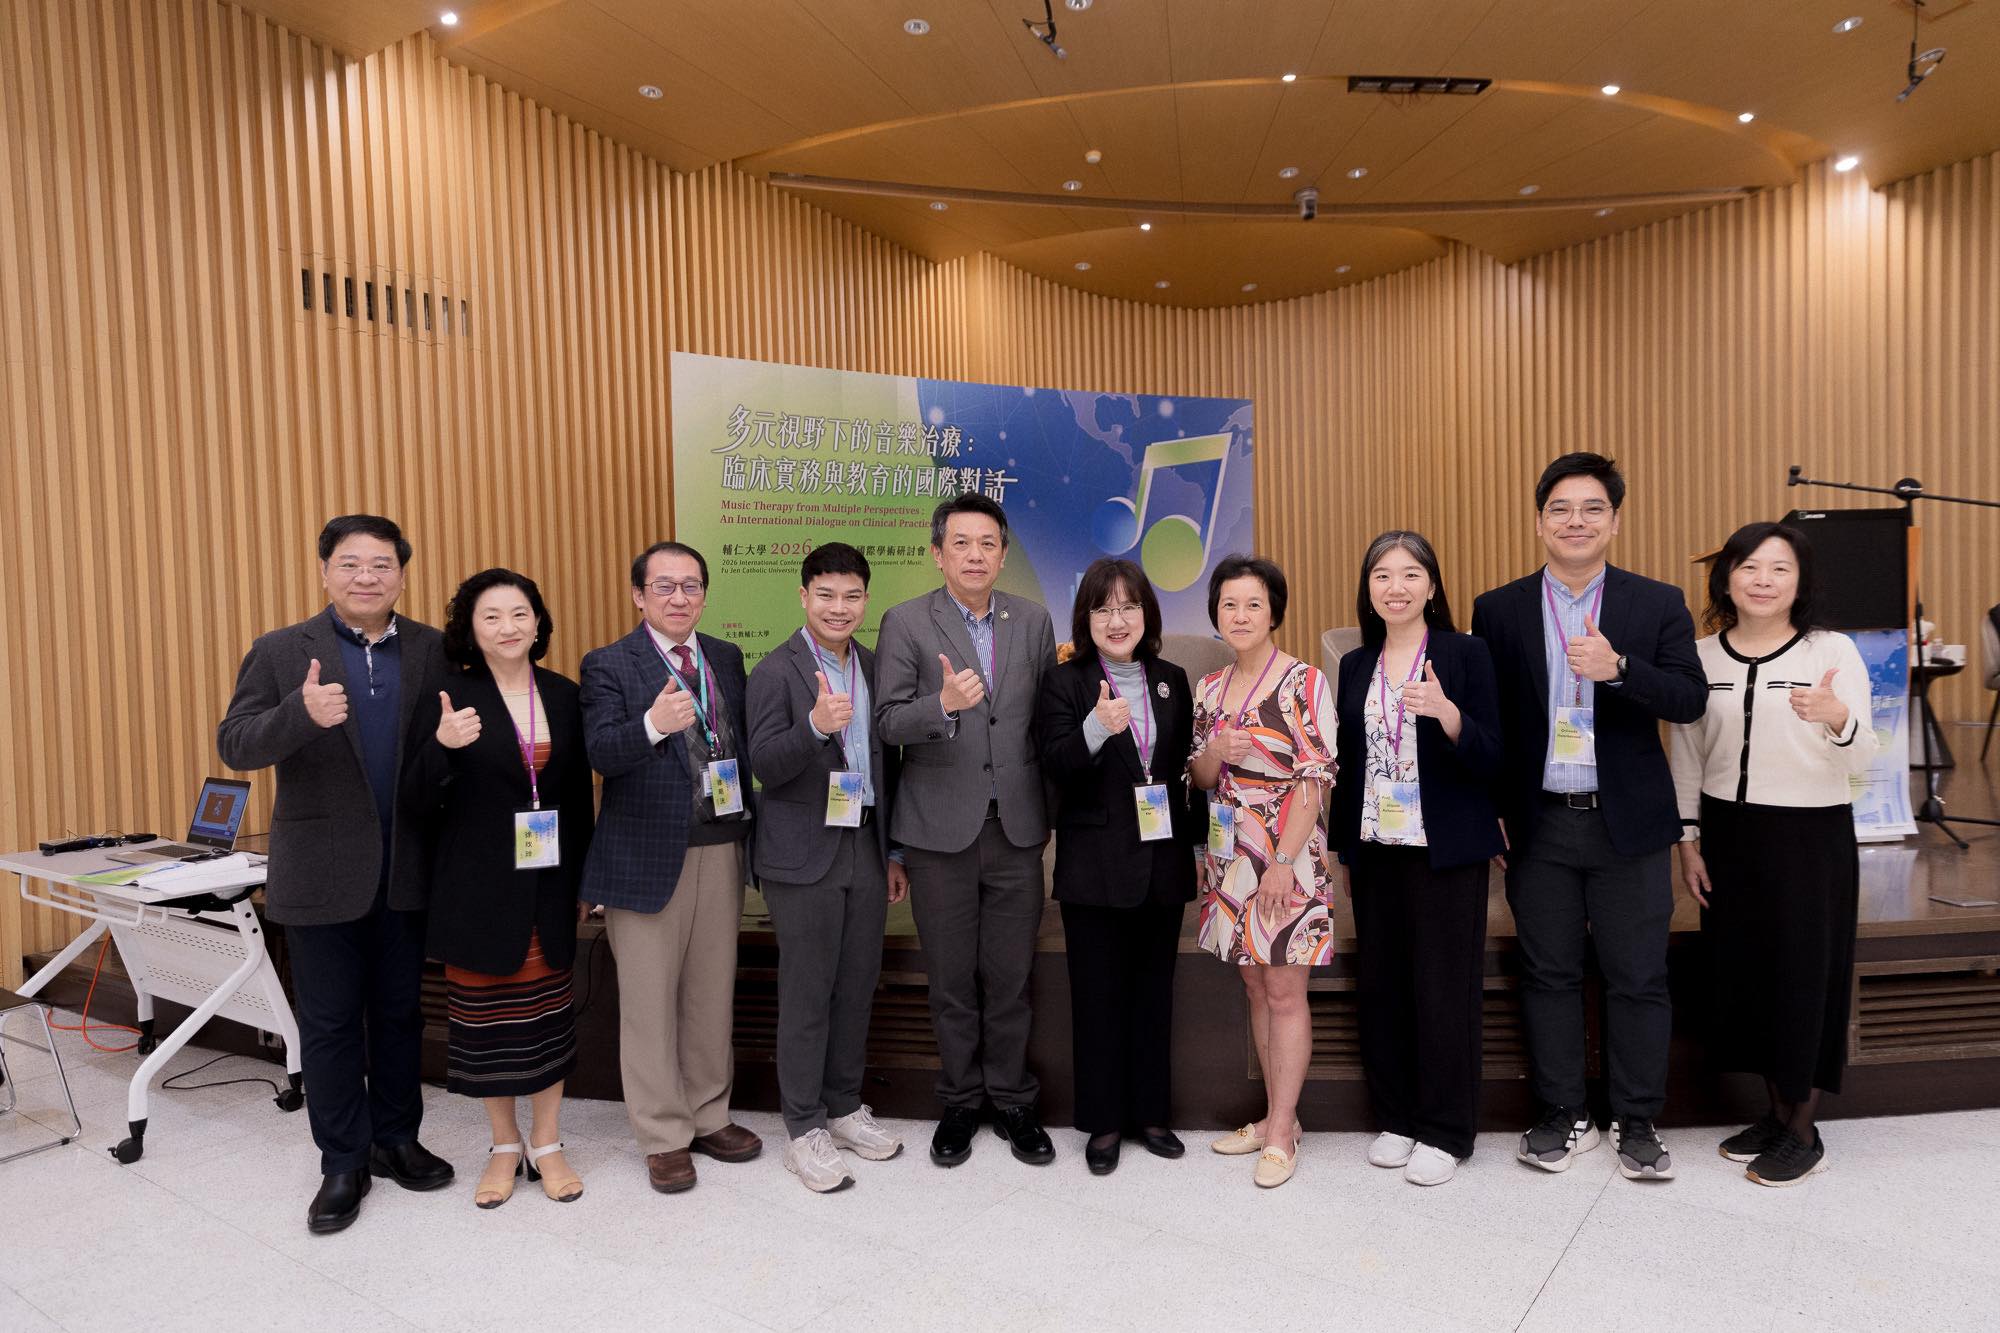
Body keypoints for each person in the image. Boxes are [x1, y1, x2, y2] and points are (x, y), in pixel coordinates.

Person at [1470, 453, 1707, 1181]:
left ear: (1615, 521)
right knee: (1548, 973)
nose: (1576, 521)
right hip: (1540, 820)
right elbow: (1491, 720)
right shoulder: (1499, 608)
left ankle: (1637, 1119)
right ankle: (1563, 1111)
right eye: (1561, 509)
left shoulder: (1656, 602)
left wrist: (1622, 670)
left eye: (1592, 508)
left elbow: (1689, 699)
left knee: (1638, 975)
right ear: (1540, 521)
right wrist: (1494, 808)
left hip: (1627, 822)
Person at [216, 514, 454, 1235]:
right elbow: (236, 743)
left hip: (406, 868)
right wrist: (300, 712)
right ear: (325, 572)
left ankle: (396, 1138)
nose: (366, 577)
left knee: (400, 1014)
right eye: (350, 564)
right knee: (328, 1023)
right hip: (319, 871)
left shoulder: (434, 649)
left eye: (381, 565)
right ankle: (342, 1160)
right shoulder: (281, 650)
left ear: (402, 576)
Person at [1669, 522, 1876, 1187]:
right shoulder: (1701, 657)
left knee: (1803, 978)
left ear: (1801, 581)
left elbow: (1865, 756)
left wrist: (1837, 717)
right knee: (1748, 975)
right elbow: (1687, 753)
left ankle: (1803, 1129)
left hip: (1810, 836)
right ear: (1726, 577)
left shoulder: (1831, 650)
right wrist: (1688, 838)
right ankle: (1775, 1113)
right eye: (1749, 566)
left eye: (1780, 568)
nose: (1763, 579)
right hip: (1729, 833)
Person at [875, 494, 1058, 1168]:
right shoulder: (905, 622)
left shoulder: (1033, 620)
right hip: (936, 833)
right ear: (938, 553)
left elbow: (1045, 722)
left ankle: (1012, 1099)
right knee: (951, 980)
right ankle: (958, 1100)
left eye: (987, 543)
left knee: (1010, 978)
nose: (975, 555)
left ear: (1003, 555)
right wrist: (942, 705)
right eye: (961, 543)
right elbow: (888, 721)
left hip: (1016, 829)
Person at [404, 569, 596, 1208]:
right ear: (470, 628)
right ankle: (504, 1145)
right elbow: (413, 799)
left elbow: (576, 798)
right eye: (491, 616)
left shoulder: (564, 695)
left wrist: (585, 877)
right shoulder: (449, 697)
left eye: (519, 614)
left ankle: (548, 1142)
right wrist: (442, 746)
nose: (508, 627)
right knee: (488, 1025)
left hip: (550, 886)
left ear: (538, 623)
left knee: (548, 1018)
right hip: (478, 887)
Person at [578, 541, 760, 1195]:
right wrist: (652, 724)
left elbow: (736, 742)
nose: (679, 597)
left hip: (720, 844)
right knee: (650, 1003)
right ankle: (663, 1135)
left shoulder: (725, 657)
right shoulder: (608, 663)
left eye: (691, 585)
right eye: (664, 586)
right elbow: (601, 751)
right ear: (638, 595)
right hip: (643, 856)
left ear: (704, 594)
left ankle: (709, 1114)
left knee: (711, 994)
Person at [1330, 532, 1503, 1187]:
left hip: (1445, 851)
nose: (1395, 586)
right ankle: (1398, 1118)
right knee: (1384, 986)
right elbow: (1350, 766)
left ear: (1431, 586)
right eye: (1382, 575)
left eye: (1409, 574)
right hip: (1375, 848)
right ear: (1368, 589)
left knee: (1444, 990)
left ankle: (1447, 1130)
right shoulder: (1355, 663)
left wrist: (1449, 715)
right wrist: (1345, 848)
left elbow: (1494, 753)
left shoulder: (1465, 653)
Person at [745, 542, 911, 1193]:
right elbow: (764, 763)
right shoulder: (774, 670)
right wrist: (814, 726)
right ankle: (803, 1126)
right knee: (808, 991)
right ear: (803, 596)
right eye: (826, 595)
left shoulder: (872, 665)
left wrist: (893, 852)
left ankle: (843, 1106)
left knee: (856, 984)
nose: (839, 607)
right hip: (802, 853)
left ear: (865, 599)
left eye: (851, 595)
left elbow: (888, 767)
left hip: (863, 843)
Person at [1037, 557, 1198, 1176]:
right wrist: (1095, 728)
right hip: (1095, 865)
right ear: (1086, 618)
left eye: (1128, 606)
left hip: (1162, 858)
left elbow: (1181, 768)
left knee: (1155, 994)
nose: (1117, 619)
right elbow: (1056, 762)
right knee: (1098, 997)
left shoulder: (1171, 678)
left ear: (1147, 613)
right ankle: (1104, 1122)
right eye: (1103, 608)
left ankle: (1151, 1114)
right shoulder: (1065, 681)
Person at [1188, 555, 1336, 1189]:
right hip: (1230, 858)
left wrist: (1281, 861)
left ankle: (1280, 1131)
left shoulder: (1303, 681)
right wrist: (1214, 751)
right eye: (1229, 604)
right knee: (1254, 987)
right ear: (1216, 614)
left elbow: (1315, 779)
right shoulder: (1210, 687)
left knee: (1284, 992)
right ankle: (1279, 1115)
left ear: (1274, 611)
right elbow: (1200, 778)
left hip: (1286, 858)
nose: (1241, 615)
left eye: (1253, 604)